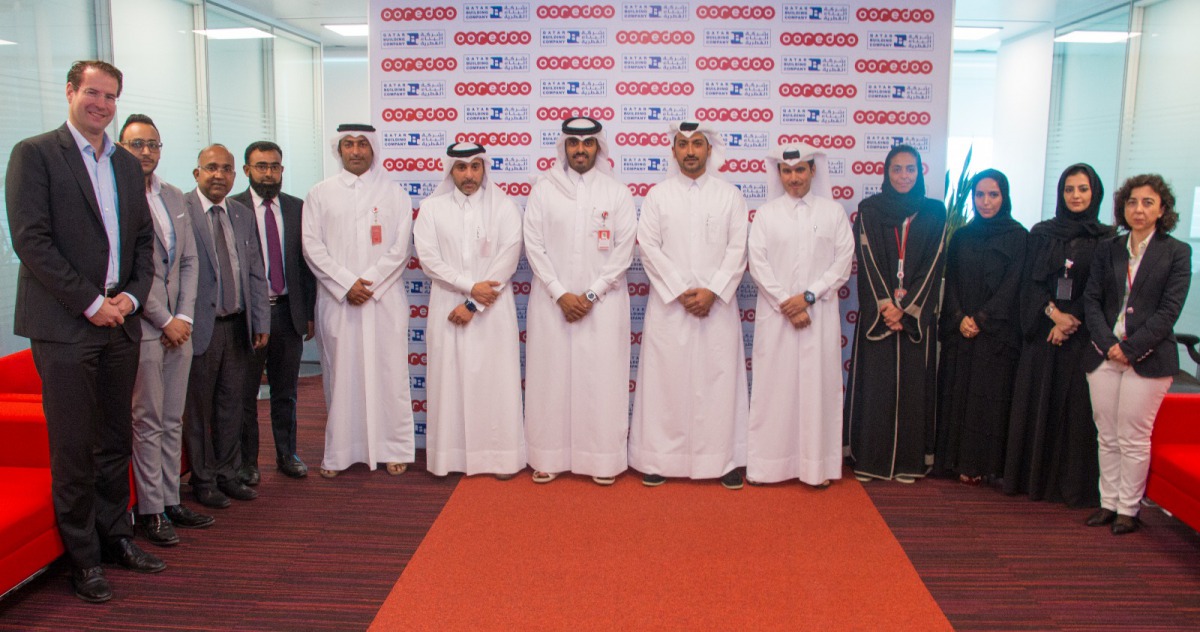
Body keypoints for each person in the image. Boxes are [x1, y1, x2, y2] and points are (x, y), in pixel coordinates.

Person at [5, 59, 162, 603]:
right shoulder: (35, 154)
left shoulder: (123, 162)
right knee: (73, 447)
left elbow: (142, 244)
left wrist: (132, 297)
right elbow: (32, 240)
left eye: (111, 95)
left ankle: (115, 536)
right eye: (92, 92)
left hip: (120, 321)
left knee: (115, 441)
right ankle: (84, 559)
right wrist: (91, 302)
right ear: (70, 92)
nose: (101, 103)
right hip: (66, 324)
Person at [629, 120, 749, 489]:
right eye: (683, 145)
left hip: (717, 306)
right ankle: (660, 459)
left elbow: (737, 248)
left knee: (719, 381)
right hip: (670, 306)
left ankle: (723, 460)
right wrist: (682, 289)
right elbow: (648, 247)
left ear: (709, 150)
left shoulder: (730, 196)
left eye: (698, 144)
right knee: (667, 382)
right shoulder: (658, 195)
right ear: (674, 150)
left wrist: (712, 290)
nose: (691, 151)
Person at [523, 117, 636, 485]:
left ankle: (602, 460)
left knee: (601, 380)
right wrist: (560, 292)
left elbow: (623, 251)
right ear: (564, 147)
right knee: (551, 378)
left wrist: (591, 293)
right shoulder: (543, 190)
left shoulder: (616, 192)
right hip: (552, 302)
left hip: (602, 304)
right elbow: (533, 245)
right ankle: (549, 456)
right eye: (574, 143)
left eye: (588, 143)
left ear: (599, 147)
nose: (581, 149)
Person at [119, 114, 213, 547]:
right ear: (120, 147)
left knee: (173, 418)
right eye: (137, 144)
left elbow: (190, 261)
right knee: (149, 421)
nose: (146, 152)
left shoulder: (174, 194)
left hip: (180, 326)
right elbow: (129, 274)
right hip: (144, 327)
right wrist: (164, 319)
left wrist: (186, 318)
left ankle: (172, 499)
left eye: (153, 145)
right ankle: (152, 511)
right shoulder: (115, 197)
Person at [302, 124, 416, 479]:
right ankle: (340, 453)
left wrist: (370, 283)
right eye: (348, 144)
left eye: (362, 144)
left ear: (373, 149)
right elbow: (312, 246)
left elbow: (401, 247)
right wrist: (348, 284)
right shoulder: (320, 194)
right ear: (339, 150)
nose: (355, 151)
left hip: (383, 301)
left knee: (389, 374)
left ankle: (393, 449)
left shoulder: (395, 193)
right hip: (339, 301)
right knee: (341, 375)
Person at [1082, 174, 1192, 535]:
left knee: (1133, 435)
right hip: (1104, 354)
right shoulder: (1109, 249)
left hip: (1148, 359)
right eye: (1132, 202)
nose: (1139, 209)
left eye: (1148, 202)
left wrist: (1130, 349)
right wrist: (1107, 343)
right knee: (1107, 434)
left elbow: (1169, 311)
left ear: (1162, 209)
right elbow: (1092, 300)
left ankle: (1128, 508)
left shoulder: (1176, 252)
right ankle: (1107, 503)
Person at [1004, 164, 1113, 507]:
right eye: (1069, 189)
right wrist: (1053, 315)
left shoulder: (1107, 238)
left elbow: (1103, 290)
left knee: (1076, 410)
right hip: (1043, 332)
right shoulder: (1042, 233)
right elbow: (1029, 283)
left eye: (1083, 189)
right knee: (1038, 403)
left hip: (1082, 337)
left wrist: (1071, 320)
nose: (1076, 196)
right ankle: (1033, 481)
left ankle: (1071, 488)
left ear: (1095, 192)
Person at [415, 142, 525, 478]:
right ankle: (451, 459)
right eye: (461, 167)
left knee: (495, 381)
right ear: (451, 170)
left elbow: (508, 259)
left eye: (475, 166)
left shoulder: (504, 206)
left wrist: (474, 302)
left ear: (484, 169)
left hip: (491, 308)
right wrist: (468, 286)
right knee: (449, 381)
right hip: (447, 304)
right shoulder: (432, 209)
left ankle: (500, 458)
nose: (468, 174)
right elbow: (429, 259)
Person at [746, 143, 854, 488]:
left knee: (816, 390)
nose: (794, 178)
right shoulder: (765, 214)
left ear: (813, 171)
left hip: (818, 316)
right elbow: (758, 264)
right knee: (774, 391)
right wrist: (786, 303)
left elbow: (842, 262)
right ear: (779, 174)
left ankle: (815, 468)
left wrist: (807, 297)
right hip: (777, 316)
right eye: (787, 171)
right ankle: (769, 467)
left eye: (800, 170)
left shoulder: (833, 213)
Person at [843, 144, 947, 483]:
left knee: (912, 391)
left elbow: (934, 262)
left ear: (920, 173)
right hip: (880, 314)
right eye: (897, 169)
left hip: (913, 318)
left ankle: (909, 462)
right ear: (886, 173)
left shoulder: (935, 212)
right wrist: (886, 305)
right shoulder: (870, 210)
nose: (904, 176)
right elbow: (867, 259)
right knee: (876, 389)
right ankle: (870, 460)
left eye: (910, 169)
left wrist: (909, 308)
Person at [184, 144, 270, 509]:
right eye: (211, 168)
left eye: (226, 169)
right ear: (197, 173)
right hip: (200, 327)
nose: (219, 175)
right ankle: (203, 481)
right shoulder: (182, 211)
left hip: (237, 325)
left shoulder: (240, 214)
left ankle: (228, 473)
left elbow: (254, 270)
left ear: (236, 175)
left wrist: (261, 319)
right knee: (199, 410)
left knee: (232, 404)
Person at [934, 169, 1028, 485]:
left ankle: (984, 465)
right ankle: (955, 461)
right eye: (979, 195)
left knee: (987, 401)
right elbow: (953, 281)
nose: (985, 202)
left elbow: (1013, 285)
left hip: (995, 335)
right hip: (961, 331)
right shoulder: (962, 235)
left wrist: (982, 319)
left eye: (993, 195)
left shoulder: (1018, 237)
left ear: (1005, 197)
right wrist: (960, 317)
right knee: (957, 394)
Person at [232, 141, 316, 483]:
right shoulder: (233, 207)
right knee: (245, 394)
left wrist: (307, 312)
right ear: (247, 170)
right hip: (249, 316)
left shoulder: (297, 208)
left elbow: (306, 265)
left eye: (275, 166)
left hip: (287, 313)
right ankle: (248, 462)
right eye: (261, 165)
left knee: (286, 392)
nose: (269, 172)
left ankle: (287, 454)